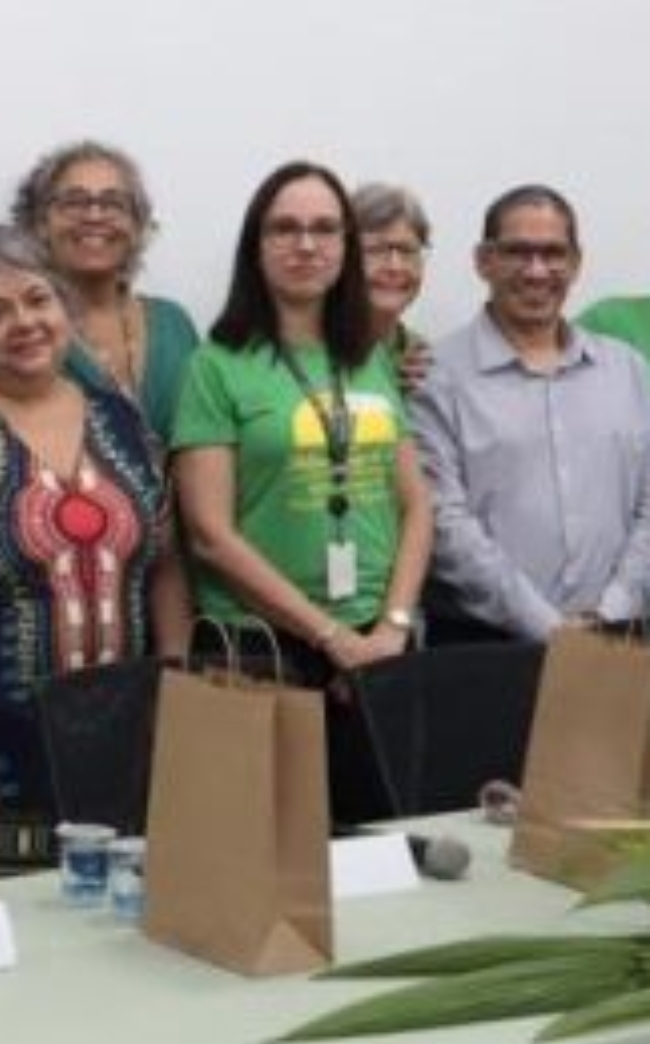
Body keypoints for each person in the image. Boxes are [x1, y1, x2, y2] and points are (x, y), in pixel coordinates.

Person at [0, 224, 187, 830]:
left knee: (116, 915)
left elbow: (167, 564)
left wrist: (176, 684)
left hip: (126, 733)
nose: (23, 323)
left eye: (38, 300)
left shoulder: (123, 422)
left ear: (65, 309)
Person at [172, 160, 431, 688]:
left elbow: (417, 504)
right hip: (262, 648)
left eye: (325, 229)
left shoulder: (369, 358)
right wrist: (330, 636)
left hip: (380, 640)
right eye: (285, 228)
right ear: (256, 247)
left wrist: (394, 624)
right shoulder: (215, 365)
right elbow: (209, 536)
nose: (306, 245)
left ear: (347, 244)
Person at [412, 184, 650, 644]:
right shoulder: (436, 378)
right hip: (483, 645)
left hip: (621, 638)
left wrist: (615, 609)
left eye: (553, 253)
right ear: (484, 261)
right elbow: (445, 524)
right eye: (518, 252)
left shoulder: (627, 370)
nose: (537, 270)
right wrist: (547, 627)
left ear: (576, 263)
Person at [10, 140, 199, 443]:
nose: (94, 216)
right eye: (74, 202)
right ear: (40, 223)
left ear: (137, 225)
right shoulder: (15, 329)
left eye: (113, 204)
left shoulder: (174, 325)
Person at [351, 181, 434, 387]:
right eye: (376, 250)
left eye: (407, 251)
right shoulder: (306, 350)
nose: (395, 267)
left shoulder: (427, 360)